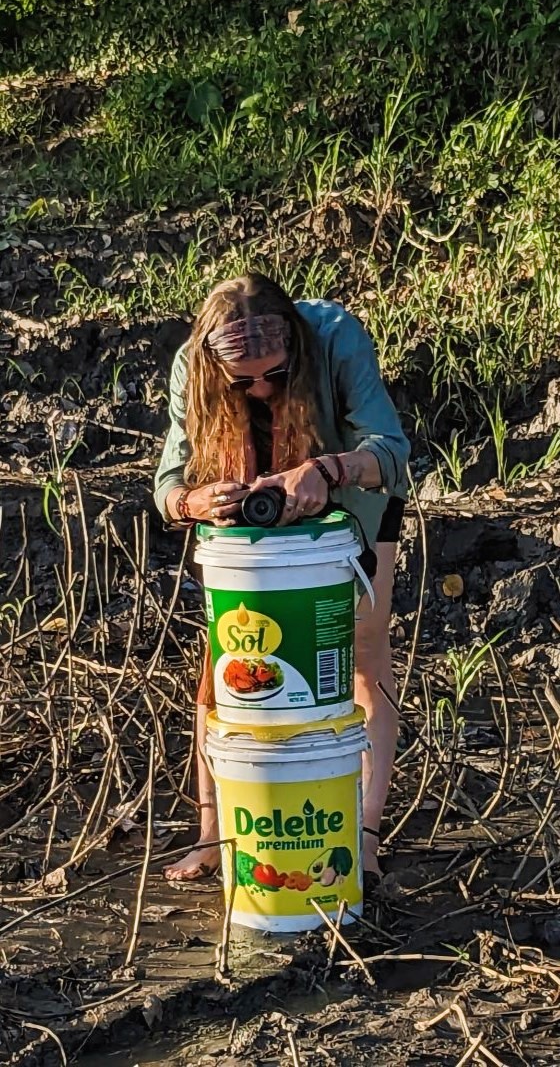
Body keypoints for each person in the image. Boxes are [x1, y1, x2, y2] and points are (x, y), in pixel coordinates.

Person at [154, 272, 410, 883]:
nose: (263, 389)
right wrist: (196, 502)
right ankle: (215, 837)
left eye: (276, 372)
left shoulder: (334, 336)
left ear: (294, 341)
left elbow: (392, 450)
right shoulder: (193, 363)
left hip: (353, 504)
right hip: (250, 528)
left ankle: (363, 838)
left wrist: (326, 470)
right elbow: (166, 488)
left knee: (363, 660)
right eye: (244, 382)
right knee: (223, 668)